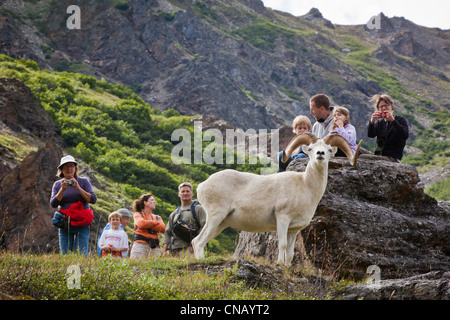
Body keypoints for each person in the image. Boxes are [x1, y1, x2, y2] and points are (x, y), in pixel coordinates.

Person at [50, 155, 97, 256]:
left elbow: (93, 199)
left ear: (75, 168)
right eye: (66, 166)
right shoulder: (58, 185)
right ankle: (67, 272)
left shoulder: (83, 182)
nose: (69, 169)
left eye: (71, 166)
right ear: (61, 170)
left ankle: (82, 271)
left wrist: (78, 188)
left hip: (82, 223)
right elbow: (53, 203)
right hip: (65, 224)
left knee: (82, 254)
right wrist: (62, 190)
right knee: (65, 254)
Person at [162, 182, 206, 259]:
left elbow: (205, 227)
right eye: (183, 191)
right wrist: (165, 250)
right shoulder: (174, 213)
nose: (185, 193)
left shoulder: (198, 209)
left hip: (189, 249)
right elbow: (167, 232)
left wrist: (196, 245)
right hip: (174, 250)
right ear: (179, 194)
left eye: (187, 191)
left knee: (189, 270)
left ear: (192, 193)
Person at [367, 94, 409, 162]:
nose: (384, 108)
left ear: (392, 106)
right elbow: (370, 135)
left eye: (386, 105)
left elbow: (404, 135)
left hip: (393, 157)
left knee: (363, 157)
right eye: (381, 106)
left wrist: (393, 121)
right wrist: (372, 121)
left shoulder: (400, 119)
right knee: (357, 152)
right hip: (379, 155)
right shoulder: (379, 122)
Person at [129, 193, 166, 259]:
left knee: (156, 268)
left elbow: (163, 229)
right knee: (136, 267)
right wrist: (156, 223)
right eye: (152, 200)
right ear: (145, 203)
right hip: (140, 245)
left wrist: (148, 224)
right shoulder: (138, 214)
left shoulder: (158, 217)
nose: (154, 202)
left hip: (155, 247)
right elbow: (141, 224)